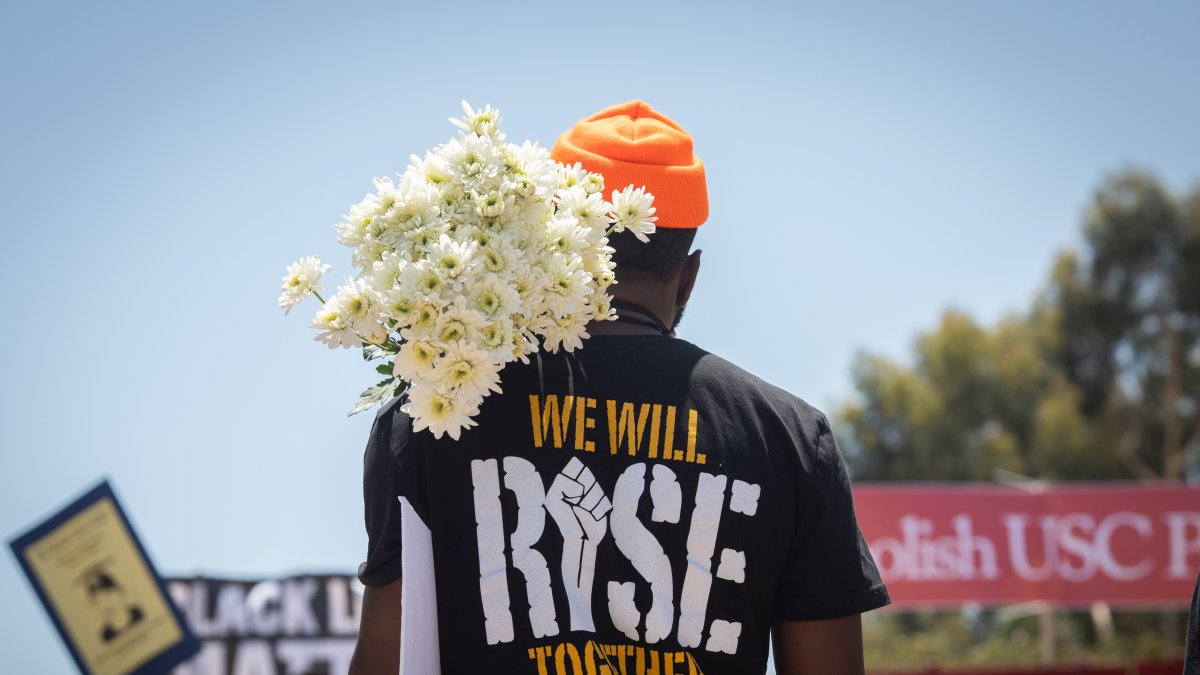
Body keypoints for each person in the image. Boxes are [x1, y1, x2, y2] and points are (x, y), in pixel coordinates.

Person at [349, 100, 890, 675]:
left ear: (545, 241)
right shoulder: (790, 438)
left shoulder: (431, 416)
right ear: (688, 277)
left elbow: (389, 655)